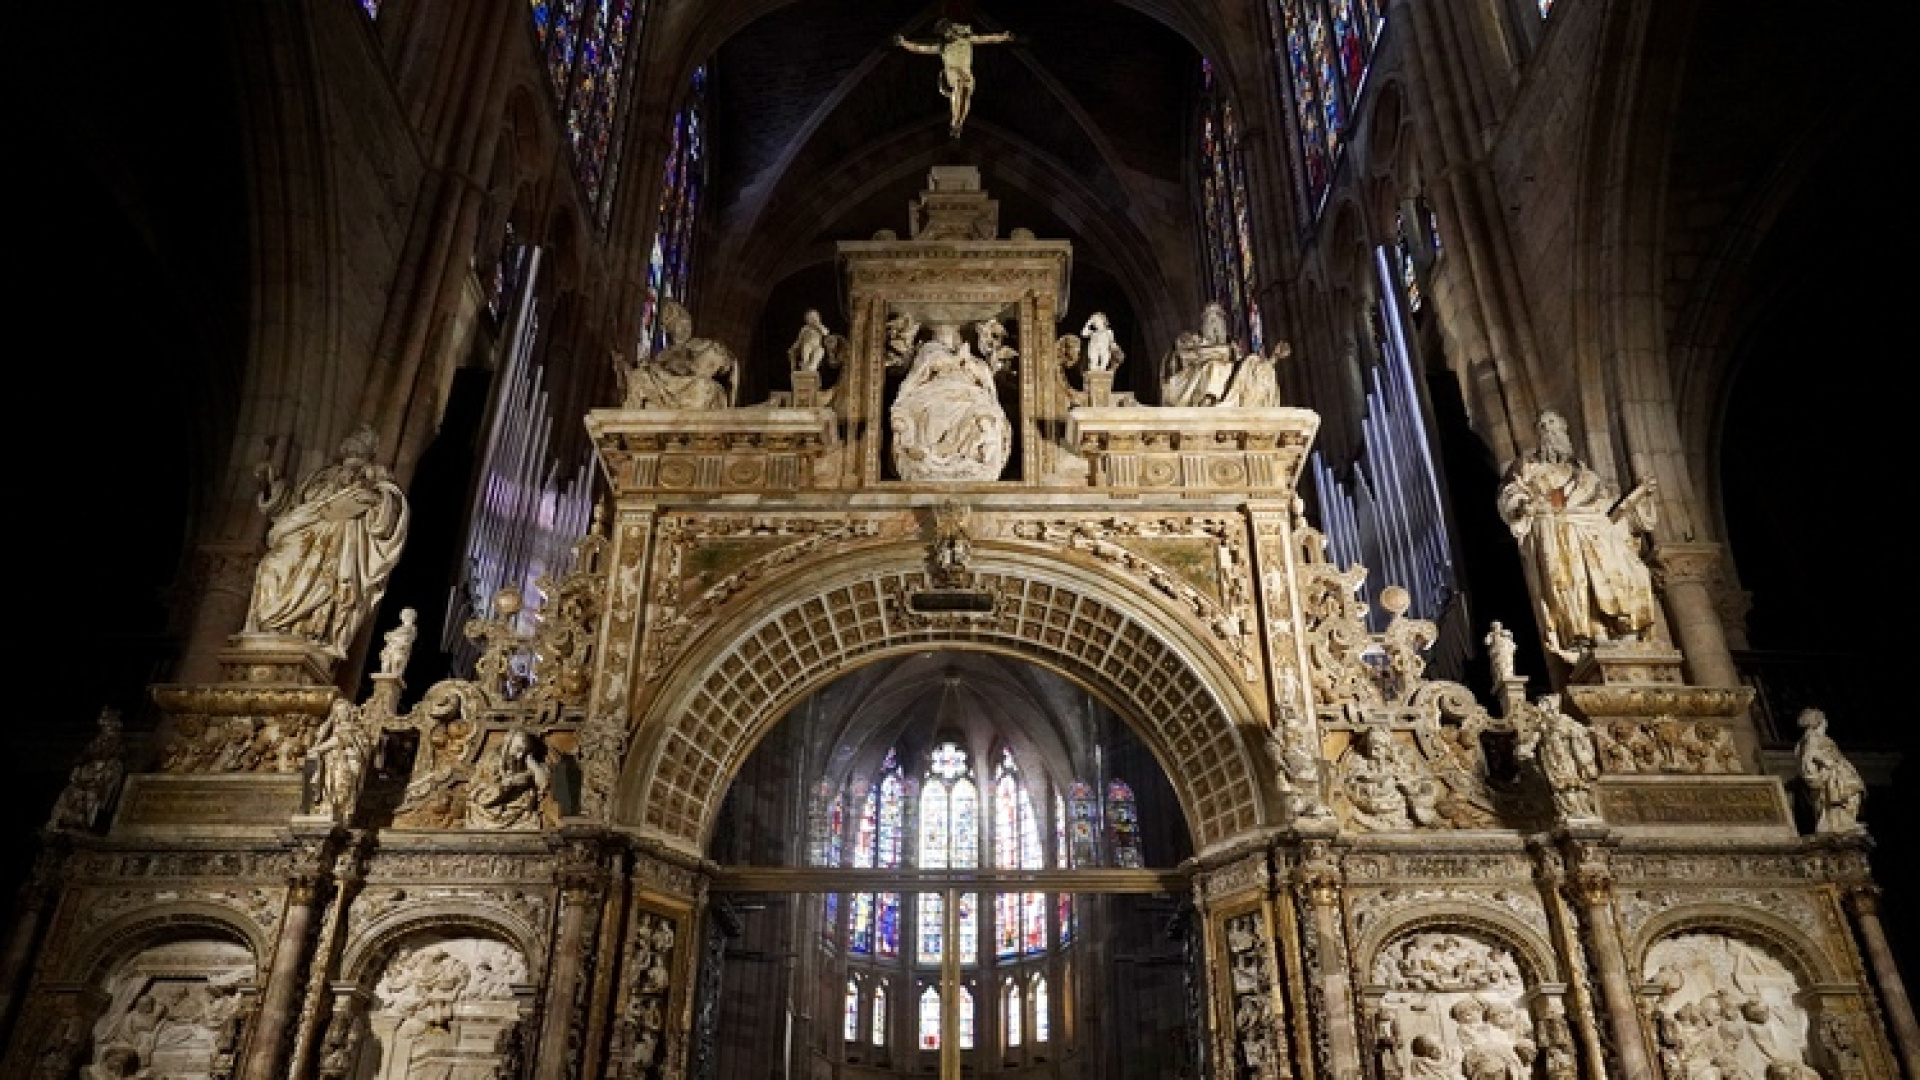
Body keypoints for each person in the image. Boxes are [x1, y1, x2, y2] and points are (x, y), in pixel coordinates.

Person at [1496, 409, 1658, 661]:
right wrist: (1522, 505)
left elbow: (1610, 510)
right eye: (1542, 426)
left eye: (1552, 424)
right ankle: (1589, 635)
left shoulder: (1585, 474)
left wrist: (1639, 499)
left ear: (1564, 429)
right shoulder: (1528, 467)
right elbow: (1511, 493)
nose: (1548, 430)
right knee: (1570, 583)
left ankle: (1622, 628)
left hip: (1593, 527)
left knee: (1625, 571)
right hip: (1555, 528)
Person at [245, 423, 411, 660]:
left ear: (372, 449)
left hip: (338, 540)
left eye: (363, 438)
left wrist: (373, 499)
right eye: (353, 436)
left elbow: (389, 510)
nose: (355, 442)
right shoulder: (321, 475)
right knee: (269, 566)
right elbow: (291, 506)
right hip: (302, 531)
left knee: (326, 583)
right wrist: (272, 485)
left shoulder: (375, 475)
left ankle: (308, 630)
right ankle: (269, 628)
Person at [888, 322, 1012, 481]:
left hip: (968, 393)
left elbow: (985, 381)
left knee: (983, 414)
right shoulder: (930, 355)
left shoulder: (972, 361)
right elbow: (916, 377)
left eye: (952, 337)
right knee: (932, 413)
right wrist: (942, 365)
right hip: (934, 393)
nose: (949, 341)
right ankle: (938, 453)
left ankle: (970, 451)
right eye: (943, 336)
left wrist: (967, 365)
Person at [894, 20, 1018, 137]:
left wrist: (1004, 37)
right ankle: (954, 121)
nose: (949, 34)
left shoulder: (967, 39)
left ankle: (959, 123)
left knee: (965, 94)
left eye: (949, 31)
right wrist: (903, 42)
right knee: (959, 84)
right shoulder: (943, 47)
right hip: (952, 75)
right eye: (945, 33)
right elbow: (919, 48)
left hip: (966, 75)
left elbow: (988, 39)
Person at [615, 299, 738, 409]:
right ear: (668, 329)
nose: (684, 328)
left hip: (691, 385)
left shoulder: (705, 344)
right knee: (639, 377)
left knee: (705, 387)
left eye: (686, 323)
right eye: (678, 324)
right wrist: (625, 368)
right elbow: (655, 370)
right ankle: (628, 422)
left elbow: (724, 367)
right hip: (666, 386)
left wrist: (719, 359)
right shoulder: (664, 354)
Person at [1518, 693, 1601, 820]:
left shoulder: (1565, 721)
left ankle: (1582, 809)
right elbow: (1533, 741)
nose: (1543, 710)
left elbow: (1580, 731)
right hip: (1553, 760)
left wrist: (1587, 732)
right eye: (1542, 707)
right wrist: (1526, 749)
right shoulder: (1542, 725)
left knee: (1573, 783)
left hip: (1567, 759)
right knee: (1560, 786)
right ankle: (1568, 810)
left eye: (1546, 706)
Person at [48, 707, 126, 831]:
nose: (103, 723)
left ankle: (84, 821)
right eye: (103, 720)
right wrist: (78, 766)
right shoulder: (97, 740)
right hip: (89, 772)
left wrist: (102, 771)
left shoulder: (116, 742)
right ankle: (61, 819)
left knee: (91, 795)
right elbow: (85, 754)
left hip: (101, 775)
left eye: (106, 720)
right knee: (70, 792)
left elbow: (116, 758)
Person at [1795, 707, 1865, 833]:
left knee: (1851, 797)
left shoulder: (1818, 737)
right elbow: (1808, 758)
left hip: (1839, 774)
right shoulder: (1812, 737)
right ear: (1818, 721)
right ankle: (1838, 825)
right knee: (1840, 800)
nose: (1826, 721)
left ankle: (1844, 823)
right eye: (1824, 719)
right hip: (1831, 775)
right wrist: (1815, 776)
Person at [306, 698, 370, 820]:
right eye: (338, 712)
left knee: (343, 784)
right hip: (334, 762)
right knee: (331, 783)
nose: (342, 714)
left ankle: (341, 811)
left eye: (344, 711)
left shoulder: (353, 729)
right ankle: (330, 806)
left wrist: (318, 749)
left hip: (350, 761)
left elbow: (338, 740)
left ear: (349, 712)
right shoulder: (333, 729)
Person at [788, 308, 834, 373]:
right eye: (811, 317)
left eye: (815, 317)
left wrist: (818, 326)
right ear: (807, 320)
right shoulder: (805, 329)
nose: (813, 319)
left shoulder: (820, 328)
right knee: (806, 348)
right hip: (807, 344)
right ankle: (805, 363)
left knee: (820, 351)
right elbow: (799, 340)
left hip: (817, 346)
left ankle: (812, 366)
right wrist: (794, 346)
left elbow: (826, 333)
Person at [379, 606, 418, 678]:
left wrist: (392, 636)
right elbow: (389, 636)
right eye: (404, 615)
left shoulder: (412, 628)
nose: (404, 617)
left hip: (400, 648)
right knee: (386, 665)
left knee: (396, 663)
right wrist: (391, 636)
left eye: (408, 615)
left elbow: (406, 638)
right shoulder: (400, 628)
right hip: (391, 648)